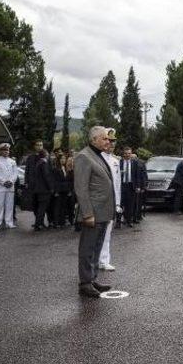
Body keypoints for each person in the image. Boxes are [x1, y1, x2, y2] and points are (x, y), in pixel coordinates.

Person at [74, 126, 115, 298]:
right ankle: (85, 283)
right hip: (93, 214)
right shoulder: (84, 156)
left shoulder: (97, 155)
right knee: (87, 248)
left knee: (97, 248)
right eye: (105, 139)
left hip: (103, 213)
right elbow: (81, 189)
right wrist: (87, 214)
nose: (108, 141)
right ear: (94, 140)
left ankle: (92, 279)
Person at [99, 128, 122, 272]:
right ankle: (94, 260)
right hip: (99, 202)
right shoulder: (97, 158)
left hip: (111, 202)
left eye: (113, 141)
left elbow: (117, 184)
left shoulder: (115, 161)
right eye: (109, 140)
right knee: (95, 234)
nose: (111, 144)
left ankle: (104, 260)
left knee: (107, 233)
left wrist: (118, 202)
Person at [0, 143, 18, 230]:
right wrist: (3, 182)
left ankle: (9, 222)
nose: (6, 152)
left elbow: (15, 173)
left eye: (7, 150)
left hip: (10, 186)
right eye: (4, 150)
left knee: (9, 205)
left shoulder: (12, 161)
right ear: (1, 151)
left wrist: (11, 181)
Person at [33, 149, 54, 231]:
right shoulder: (44, 164)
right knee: (42, 208)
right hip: (44, 190)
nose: (48, 155)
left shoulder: (38, 163)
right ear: (45, 155)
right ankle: (38, 225)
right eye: (47, 154)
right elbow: (47, 177)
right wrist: (51, 188)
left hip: (39, 189)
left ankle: (38, 224)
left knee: (40, 208)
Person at [119, 147, 140, 227]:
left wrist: (138, 186)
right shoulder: (119, 162)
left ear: (131, 154)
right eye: (126, 153)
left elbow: (137, 175)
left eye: (129, 153)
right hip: (122, 185)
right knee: (120, 203)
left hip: (131, 186)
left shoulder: (134, 163)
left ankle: (129, 221)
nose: (127, 155)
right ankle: (118, 221)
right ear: (123, 154)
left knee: (130, 205)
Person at [52, 154, 72, 228]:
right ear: (58, 160)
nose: (63, 160)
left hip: (65, 190)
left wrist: (69, 190)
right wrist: (56, 191)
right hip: (59, 190)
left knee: (64, 207)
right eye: (61, 159)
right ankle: (56, 222)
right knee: (57, 207)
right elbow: (54, 181)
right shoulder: (55, 169)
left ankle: (62, 222)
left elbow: (68, 180)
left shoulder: (66, 168)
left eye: (64, 158)